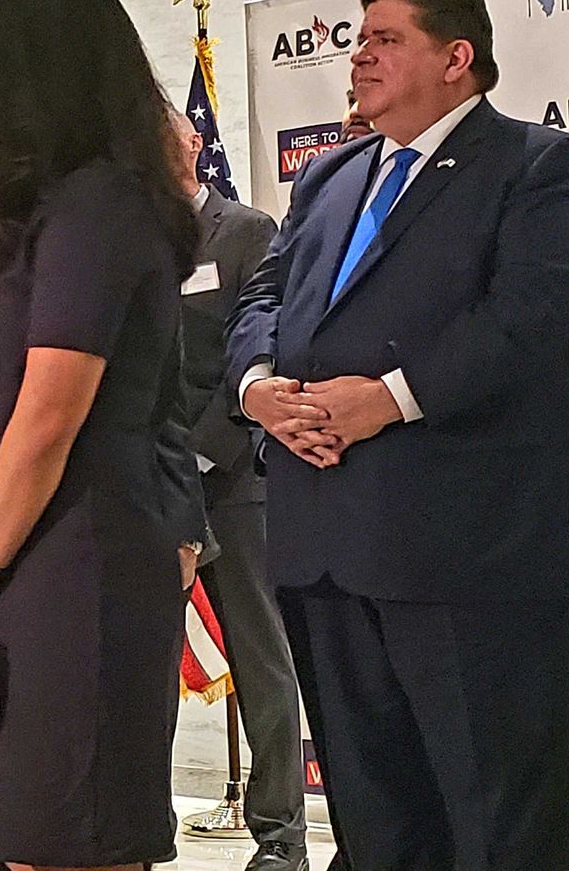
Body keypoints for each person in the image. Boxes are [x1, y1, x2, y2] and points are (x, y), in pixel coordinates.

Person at [228, 0, 569, 870]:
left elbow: (526, 323)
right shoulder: (329, 176)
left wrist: (387, 399)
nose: (359, 55)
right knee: (376, 825)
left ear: (456, 57)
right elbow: (265, 294)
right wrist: (258, 386)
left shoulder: (537, 164)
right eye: (358, 39)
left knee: (499, 825)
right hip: (326, 548)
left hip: (471, 557)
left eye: (385, 39)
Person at [0, 0, 196, 871]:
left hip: (82, 554)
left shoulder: (102, 205)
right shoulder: (37, 216)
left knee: (74, 835)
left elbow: (48, 416)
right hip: (20, 555)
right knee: (23, 836)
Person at [163, 109, 307, 871]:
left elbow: (255, 350)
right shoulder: (128, 240)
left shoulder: (246, 230)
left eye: (165, 135)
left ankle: (280, 837)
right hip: (152, 490)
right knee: (146, 666)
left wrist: (198, 458)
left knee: (262, 663)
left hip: (231, 481)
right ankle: (143, 825)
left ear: (194, 141)